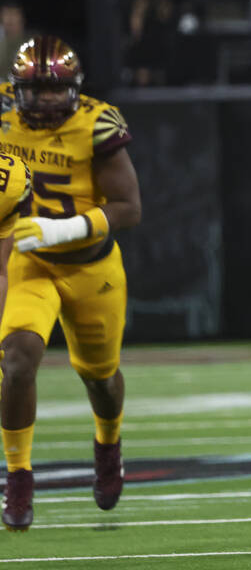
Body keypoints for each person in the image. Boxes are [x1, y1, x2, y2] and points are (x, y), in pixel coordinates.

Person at [0, 36, 141, 532]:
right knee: (17, 359)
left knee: (101, 379)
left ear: (75, 90)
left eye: (53, 90)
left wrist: (62, 229)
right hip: (27, 262)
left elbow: (129, 208)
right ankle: (17, 475)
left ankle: (108, 442)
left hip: (90, 265)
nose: (41, 100)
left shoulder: (96, 124)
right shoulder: (2, 118)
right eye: (33, 91)